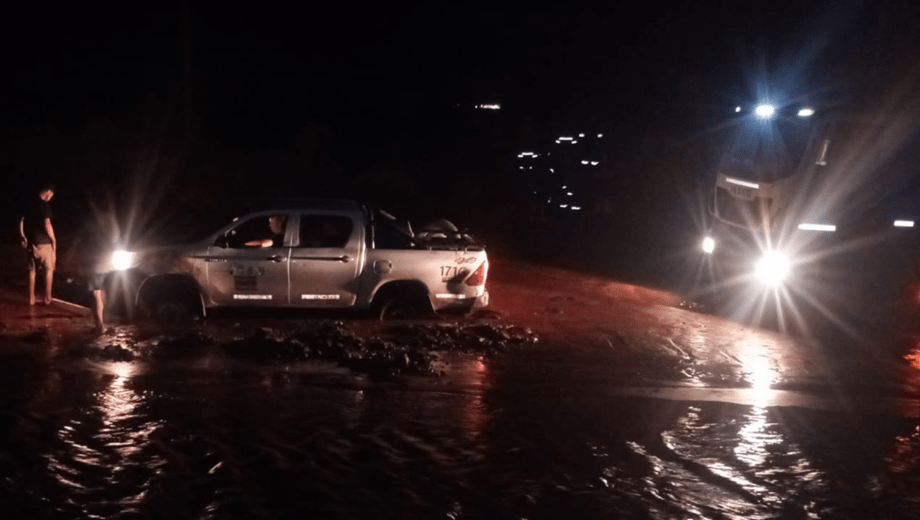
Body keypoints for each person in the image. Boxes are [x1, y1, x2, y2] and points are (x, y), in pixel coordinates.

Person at [19, 184, 56, 305]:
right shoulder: (45, 205)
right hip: (44, 243)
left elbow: (21, 221)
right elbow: (47, 224)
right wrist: (54, 240)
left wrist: (22, 236)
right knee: (49, 270)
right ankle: (47, 298)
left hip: (31, 242)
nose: (50, 198)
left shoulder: (28, 203)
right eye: (51, 195)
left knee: (32, 271)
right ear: (48, 191)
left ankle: (31, 298)